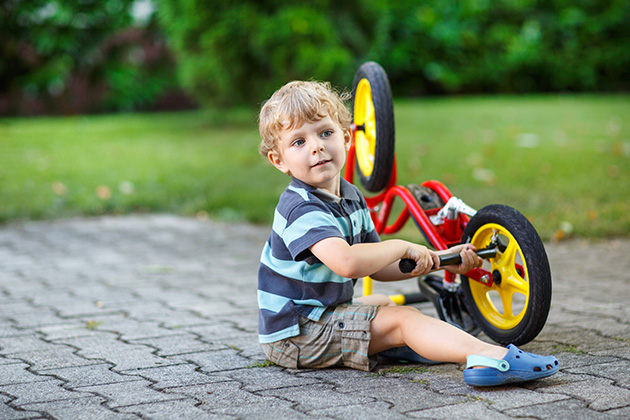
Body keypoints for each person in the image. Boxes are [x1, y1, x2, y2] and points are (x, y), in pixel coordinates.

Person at [256, 80, 559, 386]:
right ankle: (489, 357)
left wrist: (444, 259)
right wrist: (401, 245)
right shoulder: (299, 208)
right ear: (278, 160)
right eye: (298, 142)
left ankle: (418, 344)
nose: (316, 146)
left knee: (386, 306)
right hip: (296, 334)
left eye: (325, 132)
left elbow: (382, 266)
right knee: (403, 320)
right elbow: (347, 262)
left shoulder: (350, 197)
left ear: (347, 138)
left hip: (318, 317)